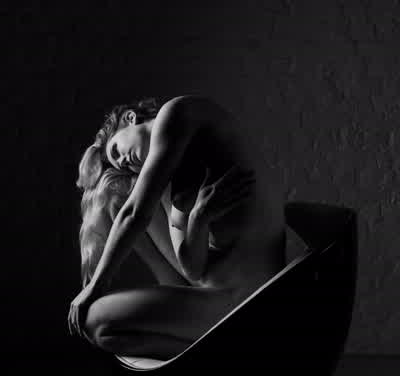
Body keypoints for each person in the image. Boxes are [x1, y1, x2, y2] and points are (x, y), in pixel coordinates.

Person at [68, 95, 286, 359]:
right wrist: (199, 218)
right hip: (217, 297)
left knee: (95, 319)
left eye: (116, 151)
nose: (124, 162)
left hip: (247, 299)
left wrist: (95, 287)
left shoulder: (177, 112)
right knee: (100, 330)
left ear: (130, 118)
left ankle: (241, 351)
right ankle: (227, 354)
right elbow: (194, 269)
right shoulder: (180, 189)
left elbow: (135, 214)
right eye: (120, 164)